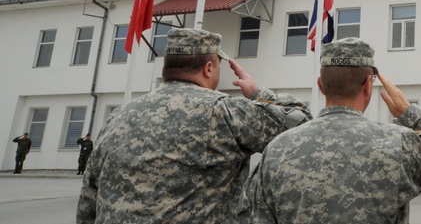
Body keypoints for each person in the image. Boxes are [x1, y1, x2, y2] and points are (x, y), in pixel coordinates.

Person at [77, 28, 311, 223]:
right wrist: (259, 94)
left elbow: (89, 196)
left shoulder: (118, 116)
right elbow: (301, 124)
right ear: (209, 68)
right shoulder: (223, 112)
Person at [239, 37, 421, 224]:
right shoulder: (398, 144)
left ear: (321, 85)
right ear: (368, 85)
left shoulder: (278, 149)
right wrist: (409, 113)